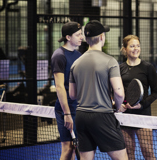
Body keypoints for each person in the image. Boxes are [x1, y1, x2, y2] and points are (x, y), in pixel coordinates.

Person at [69, 20, 128, 160]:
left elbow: (72, 95)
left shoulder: (75, 63)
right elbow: (119, 92)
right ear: (102, 37)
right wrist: (117, 107)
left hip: (81, 116)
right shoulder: (110, 61)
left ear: (86, 39)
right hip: (102, 116)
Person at [119, 35, 157, 160]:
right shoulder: (120, 68)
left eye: (138, 45)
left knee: (148, 152)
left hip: (143, 115)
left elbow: (155, 92)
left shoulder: (148, 68)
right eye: (132, 46)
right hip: (125, 116)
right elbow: (115, 90)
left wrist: (141, 105)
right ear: (125, 49)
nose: (136, 48)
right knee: (129, 152)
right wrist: (119, 104)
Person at [51, 21, 83, 160]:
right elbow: (59, 87)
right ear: (68, 37)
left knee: (79, 147)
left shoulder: (79, 55)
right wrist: (67, 114)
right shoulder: (59, 55)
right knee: (68, 148)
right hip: (66, 109)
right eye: (78, 34)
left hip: (79, 108)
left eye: (81, 33)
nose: (81, 37)